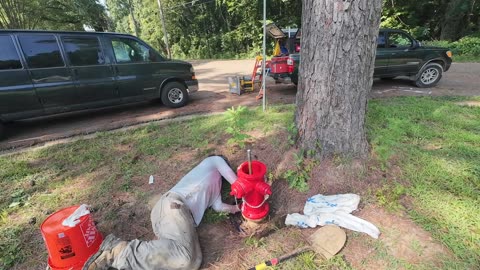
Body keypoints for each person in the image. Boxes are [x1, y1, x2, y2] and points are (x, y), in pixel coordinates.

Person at [83, 156, 240, 270]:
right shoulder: (212, 163)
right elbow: (222, 166)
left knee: (188, 261)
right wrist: (240, 186)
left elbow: (219, 206)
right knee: (186, 258)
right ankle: (120, 252)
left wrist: (238, 208)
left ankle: (122, 263)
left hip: (171, 219)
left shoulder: (216, 187)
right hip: (173, 206)